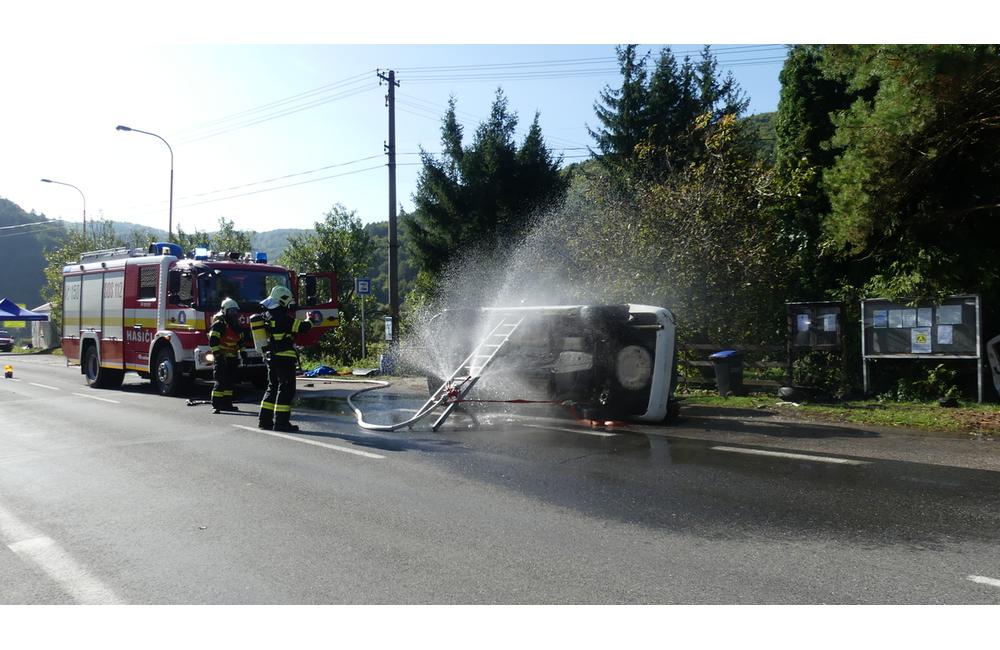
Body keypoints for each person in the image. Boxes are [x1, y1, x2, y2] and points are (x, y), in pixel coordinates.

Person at [254, 285, 312, 432]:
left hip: (271, 357)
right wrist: (310, 320)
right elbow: (302, 328)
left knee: (272, 388)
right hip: (284, 358)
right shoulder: (281, 318)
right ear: (283, 300)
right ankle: (281, 423)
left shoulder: (268, 315)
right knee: (286, 390)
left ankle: (264, 421)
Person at [208, 297, 247, 413]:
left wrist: (243, 353)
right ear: (225, 311)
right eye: (231, 311)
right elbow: (213, 340)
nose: (234, 314)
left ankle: (227, 403)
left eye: (235, 311)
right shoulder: (219, 324)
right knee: (221, 381)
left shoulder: (236, 325)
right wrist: (218, 355)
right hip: (221, 358)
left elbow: (240, 341)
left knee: (230, 382)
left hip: (232, 358)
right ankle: (216, 405)